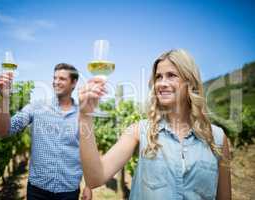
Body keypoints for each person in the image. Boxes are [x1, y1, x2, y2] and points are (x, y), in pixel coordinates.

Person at [78, 49, 231, 200]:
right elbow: (95, 178)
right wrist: (85, 116)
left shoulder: (217, 138)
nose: (162, 83)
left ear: (190, 82)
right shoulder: (139, 131)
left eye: (171, 75)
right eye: (158, 77)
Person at [0, 63, 92, 200]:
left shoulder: (82, 115)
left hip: (69, 191)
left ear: (74, 83)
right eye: (55, 78)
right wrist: (4, 98)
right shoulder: (36, 107)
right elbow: (4, 131)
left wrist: (89, 185)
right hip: (37, 191)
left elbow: (86, 153)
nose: (56, 82)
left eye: (62, 79)